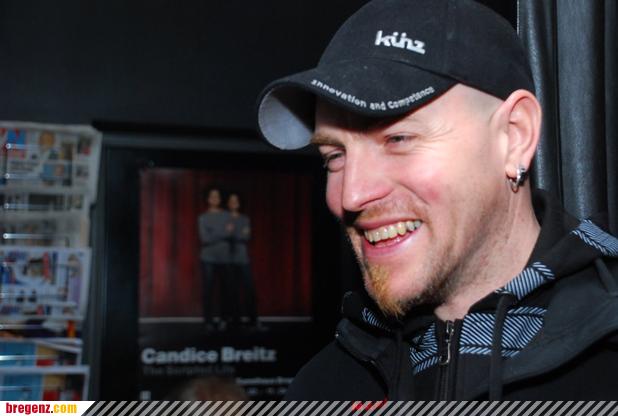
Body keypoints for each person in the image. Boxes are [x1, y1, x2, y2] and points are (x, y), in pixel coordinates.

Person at [256, 0, 618, 400]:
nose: (352, 194)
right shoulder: (322, 388)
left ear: (514, 136)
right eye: (334, 156)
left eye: (398, 139)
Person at [198, 187, 234, 329]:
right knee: (208, 291)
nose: (214, 199)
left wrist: (213, 232)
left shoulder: (227, 215)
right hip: (208, 258)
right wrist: (222, 232)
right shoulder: (203, 217)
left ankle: (223, 319)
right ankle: (208, 321)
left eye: (217, 196)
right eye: (212, 196)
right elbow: (205, 239)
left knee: (225, 291)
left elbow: (230, 234)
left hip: (225, 258)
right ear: (208, 199)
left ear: (220, 199)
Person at [226, 192, 258, 327]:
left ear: (239, 203)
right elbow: (224, 236)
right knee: (232, 291)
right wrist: (235, 234)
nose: (234, 203)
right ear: (228, 203)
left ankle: (253, 320)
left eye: (236, 201)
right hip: (228, 259)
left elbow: (246, 237)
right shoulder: (224, 218)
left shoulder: (245, 219)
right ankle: (235, 321)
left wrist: (232, 233)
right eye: (231, 201)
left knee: (249, 289)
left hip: (243, 259)